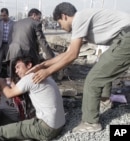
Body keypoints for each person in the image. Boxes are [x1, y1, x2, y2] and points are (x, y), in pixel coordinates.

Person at [26, 2, 130, 133]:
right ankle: (104, 99)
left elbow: (72, 56)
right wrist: (43, 64)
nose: (61, 27)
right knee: (103, 62)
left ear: (64, 16)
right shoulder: (82, 21)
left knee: (93, 80)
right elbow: (67, 53)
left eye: (59, 23)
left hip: (127, 37)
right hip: (123, 37)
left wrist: (47, 72)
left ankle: (91, 122)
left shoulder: (79, 19)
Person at [0, 56, 65, 141]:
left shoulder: (30, 78)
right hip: (11, 122)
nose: (15, 71)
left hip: (30, 124)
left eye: (18, 67)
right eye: (13, 68)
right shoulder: (9, 82)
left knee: (0, 132)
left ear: (29, 65)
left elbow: (9, 93)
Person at [5, 8, 55, 77]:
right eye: (39, 17)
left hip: (12, 51)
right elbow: (42, 41)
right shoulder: (35, 23)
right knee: (31, 76)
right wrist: (51, 57)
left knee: (14, 76)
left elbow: (10, 38)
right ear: (34, 15)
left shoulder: (17, 23)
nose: (39, 20)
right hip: (26, 53)